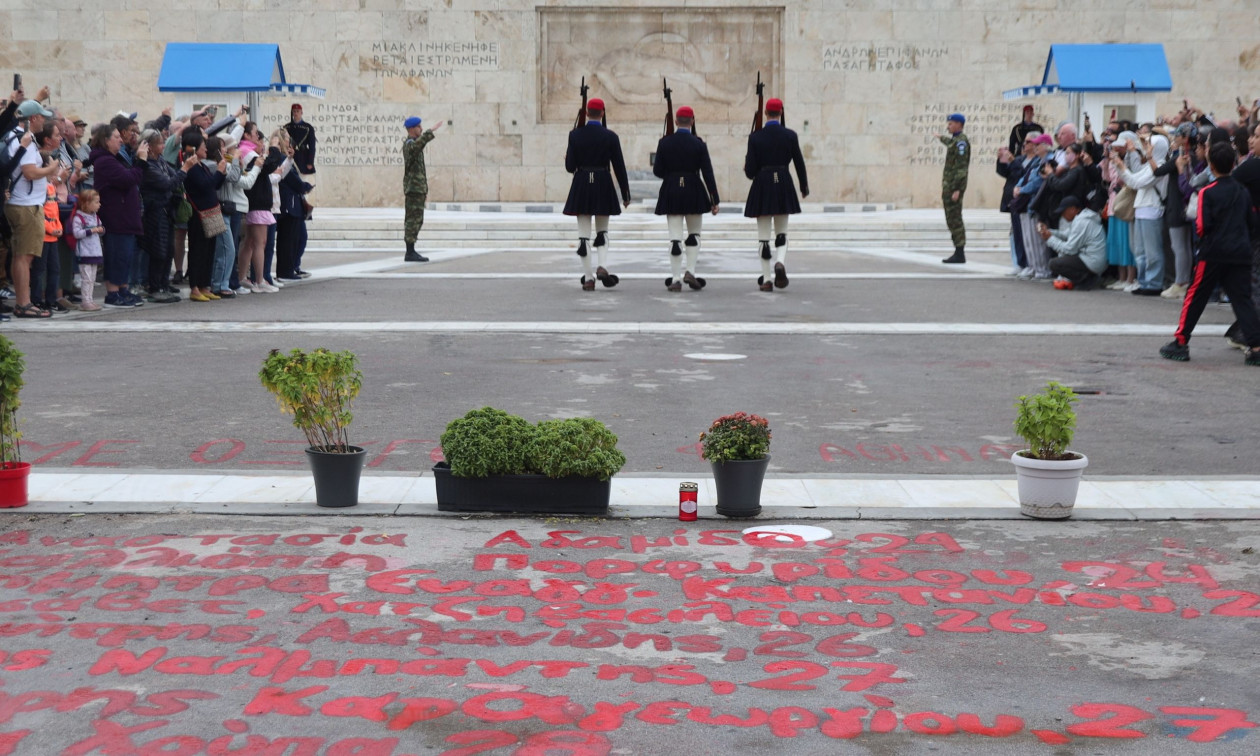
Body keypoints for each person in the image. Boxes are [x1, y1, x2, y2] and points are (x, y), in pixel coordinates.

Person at [1160, 142, 1260, 366]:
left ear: (1211, 166)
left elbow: (1202, 226)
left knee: (1195, 297)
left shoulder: (1207, 191)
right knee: (1242, 299)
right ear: (1233, 164)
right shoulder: (1243, 191)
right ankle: (1256, 346)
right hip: (1240, 251)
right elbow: (1252, 222)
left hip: (1213, 252)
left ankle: (1181, 342)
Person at [5, 101, 66, 318]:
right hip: (26, 205)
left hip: (24, 203)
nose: (44, 120)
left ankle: (23, 302)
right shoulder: (26, 140)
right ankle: (23, 304)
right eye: (42, 116)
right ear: (33, 119)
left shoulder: (16, 136)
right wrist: (51, 168)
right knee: (25, 257)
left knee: (21, 256)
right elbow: (29, 172)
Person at [564, 98, 630, 289]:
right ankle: (602, 266)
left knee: (583, 236)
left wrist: (567, 159)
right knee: (602, 231)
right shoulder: (611, 136)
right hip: (602, 181)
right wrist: (625, 194)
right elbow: (619, 166)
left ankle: (588, 278)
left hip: (582, 182)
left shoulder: (575, 135)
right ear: (602, 113)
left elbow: (570, 167)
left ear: (586, 113)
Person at [743, 97, 808, 290]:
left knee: (763, 237)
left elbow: (750, 172)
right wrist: (803, 186)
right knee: (781, 231)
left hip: (763, 183)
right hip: (783, 181)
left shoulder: (755, 137)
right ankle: (780, 262)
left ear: (765, 113)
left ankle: (767, 279)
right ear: (781, 113)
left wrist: (748, 166)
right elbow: (799, 162)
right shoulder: (790, 135)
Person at [653, 105, 719, 291]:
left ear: (675, 121)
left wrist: (671, 175)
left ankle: (675, 279)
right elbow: (707, 173)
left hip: (672, 189)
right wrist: (714, 199)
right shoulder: (699, 144)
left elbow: (657, 171)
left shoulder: (664, 143)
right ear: (692, 121)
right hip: (693, 189)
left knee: (675, 239)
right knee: (694, 235)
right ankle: (690, 271)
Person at [90, 123, 148, 308]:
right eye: (116, 137)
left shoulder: (113, 159)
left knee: (125, 255)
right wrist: (141, 161)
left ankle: (123, 289)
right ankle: (113, 293)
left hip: (124, 216)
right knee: (117, 255)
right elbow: (128, 179)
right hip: (116, 216)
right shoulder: (105, 161)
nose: (121, 140)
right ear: (106, 141)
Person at [1114, 132, 1170, 296]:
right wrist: (1120, 167)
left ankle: (1154, 283)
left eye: (1149, 144)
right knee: (1139, 250)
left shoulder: (1160, 166)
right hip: (1141, 208)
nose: (1146, 147)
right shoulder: (1149, 165)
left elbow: (1137, 182)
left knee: (1152, 251)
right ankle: (1144, 281)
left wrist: (1122, 168)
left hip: (1152, 209)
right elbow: (1133, 178)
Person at [180, 131, 226, 303]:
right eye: (202, 146)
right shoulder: (191, 167)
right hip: (199, 214)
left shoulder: (202, 166)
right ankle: (194, 287)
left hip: (211, 212)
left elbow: (214, 186)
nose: (206, 149)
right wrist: (219, 172)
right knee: (198, 251)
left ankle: (205, 285)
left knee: (209, 251)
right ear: (193, 148)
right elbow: (205, 185)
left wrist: (222, 173)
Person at [1039, 195, 1107, 290]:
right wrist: (1049, 232)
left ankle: (1087, 280)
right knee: (1062, 257)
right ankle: (1087, 277)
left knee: (1054, 264)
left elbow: (1069, 249)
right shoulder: (1082, 218)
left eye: (1064, 211)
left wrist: (1050, 239)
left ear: (1073, 209)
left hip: (1093, 262)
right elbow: (1066, 234)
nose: (1062, 215)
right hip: (1094, 260)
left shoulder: (1082, 222)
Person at [402, 115, 444, 263]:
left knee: (417, 220)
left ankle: (411, 250)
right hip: (413, 190)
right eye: (419, 127)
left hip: (417, 189)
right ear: (412, 129)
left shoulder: (414, 144)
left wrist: (423, 190)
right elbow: (417, 146)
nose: (421, 128)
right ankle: (410, 252)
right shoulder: (409, 145)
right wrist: (430, 131)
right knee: (412, 221)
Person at [939, 113, 970, 263]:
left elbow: (961, 168)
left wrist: (957, 189)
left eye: (951, 124)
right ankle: (958, 251)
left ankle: (959, 252)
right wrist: (941, 138)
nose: (948, 126)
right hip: (949, 187)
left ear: (959, 124)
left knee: (955, 219)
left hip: (953, 188)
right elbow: (950, 144)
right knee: (951, 219)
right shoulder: (955, 141)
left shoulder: (961, 142)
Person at [70, 189, 105, 311]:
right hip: (84, 253)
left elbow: (101, 228)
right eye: (96, 202)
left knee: (92, 279)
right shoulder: (79, 217)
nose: (99, 204)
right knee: (86, 278)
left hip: (95, 252)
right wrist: (91, 230)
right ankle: (85, 301)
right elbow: (76, 233)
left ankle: (90, 299)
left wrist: (101, 230)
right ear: (86, 203)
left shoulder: (96, 217)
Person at [285, 104, 316, 181]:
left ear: (301, 112)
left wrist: (310, 162)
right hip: (290, 155)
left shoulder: (308, 127)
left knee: (303, 180)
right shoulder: (287, 127)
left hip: (303, 156)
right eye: (294, 111)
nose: (296, 113)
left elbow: (312, 146)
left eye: (297, 111)